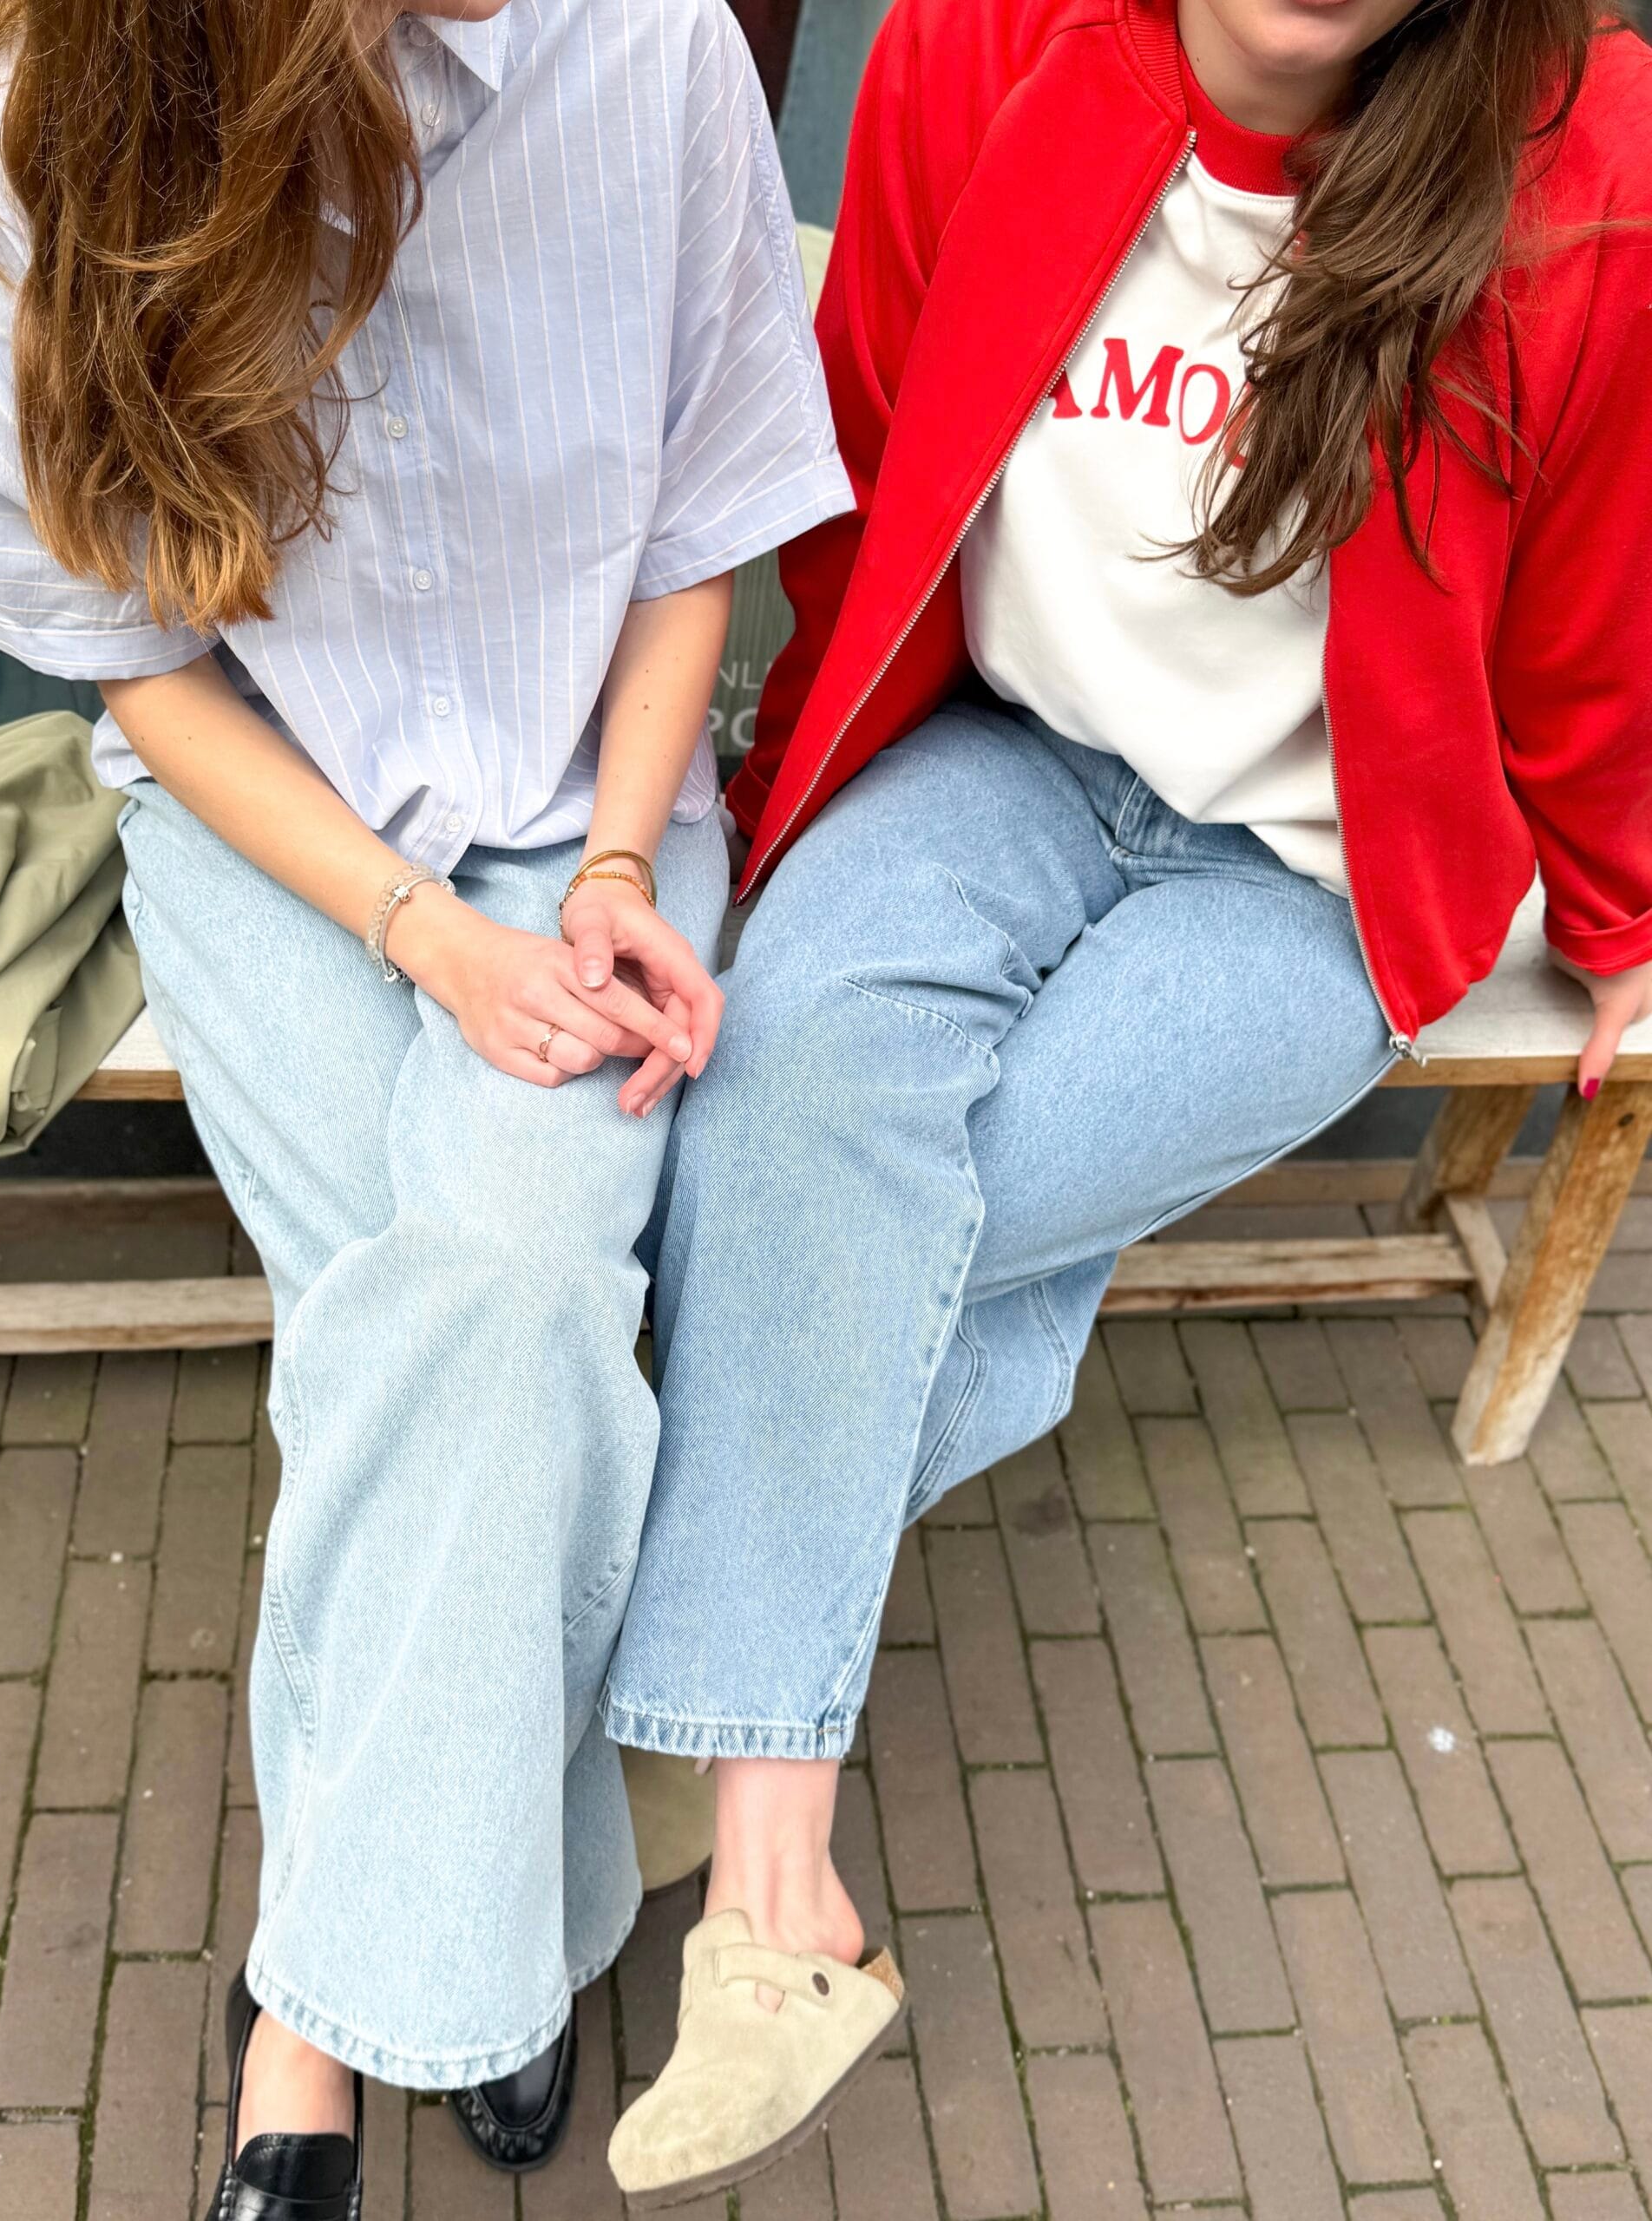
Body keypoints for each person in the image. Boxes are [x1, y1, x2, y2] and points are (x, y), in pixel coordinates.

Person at [600, 0, 1652, 2203]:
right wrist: (821, 742)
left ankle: (676, 1722)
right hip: (996, 751)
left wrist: (1621, 910)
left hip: (1311, 868)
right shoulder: (980, 43)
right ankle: (778, 1883)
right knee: (789, 1098)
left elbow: (1588, 610)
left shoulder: (1588, 161)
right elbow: (869, 435)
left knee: (878, 1214)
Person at [0, 0, 849, 2211]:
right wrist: (422, 932)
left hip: (593, 805)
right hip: (267, 824)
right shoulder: (20, 131)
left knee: (473, 1299)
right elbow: (134, 659)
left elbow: (693, 526)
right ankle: (516, 1911)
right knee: (453, 1324)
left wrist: (614, 872)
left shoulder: (655, 51)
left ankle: (311, 2013)